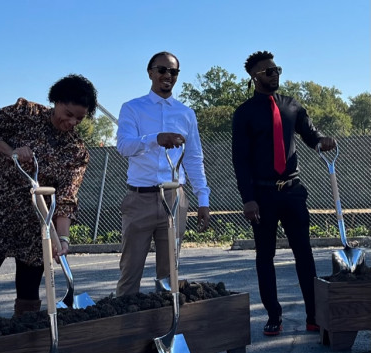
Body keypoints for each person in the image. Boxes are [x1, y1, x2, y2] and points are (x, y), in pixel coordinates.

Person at [0, 74, 97, 320]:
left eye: (79, 119)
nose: (72, 122)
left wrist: (62, 238)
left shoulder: (76, 152)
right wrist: (11, 153)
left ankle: (24, 342)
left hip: (38, 222)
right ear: (56, 101)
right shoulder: (25, 115)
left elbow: (66, 197)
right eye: (69, 113)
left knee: (29, 289)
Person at [232, 51, 336, 336]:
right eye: (267, 71)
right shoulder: (244, 113)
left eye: (276, 69)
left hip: (293, 191)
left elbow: (310, 134)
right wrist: (248, 198)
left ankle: (314, 315)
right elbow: (240, 160)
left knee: (304, 253)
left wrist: (321, 141)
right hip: (262, 196)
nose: (274, 74)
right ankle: (273, 315)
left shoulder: (292, 106)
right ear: (254, 78)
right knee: (265, 256)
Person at [115, 51, 211, 296]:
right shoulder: (133, 108)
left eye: (174, 71)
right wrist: (155, 139)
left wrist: (203, 199)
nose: (168, 75)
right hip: (140, 198)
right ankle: (127, 328)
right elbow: (124, 146)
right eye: (162, 70)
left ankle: (166, 325)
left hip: (174, 198)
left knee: (169, 275)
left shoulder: (186, 114)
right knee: (130, 271)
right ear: (150, 72)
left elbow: (193, 158)